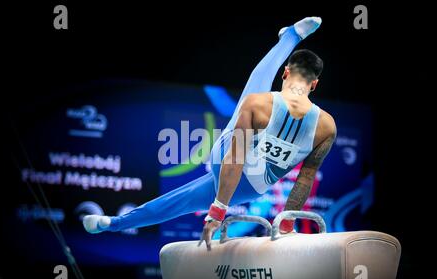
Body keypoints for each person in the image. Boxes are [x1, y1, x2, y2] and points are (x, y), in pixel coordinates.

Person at [83, 16, 336, 251]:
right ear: (315, 84)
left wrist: (217, 211)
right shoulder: (327, 126)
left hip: (227, 165)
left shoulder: (258, 104)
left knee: (254, 93)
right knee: (182, 201)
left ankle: (290, 37)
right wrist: (287, 224)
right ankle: (113, 223)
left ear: (285, 72)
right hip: (249, 188)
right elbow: (305, 179)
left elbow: (234, 160)